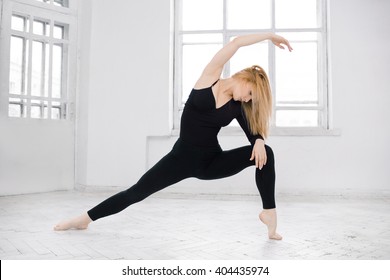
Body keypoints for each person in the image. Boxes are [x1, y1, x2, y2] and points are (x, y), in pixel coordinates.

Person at [54, 32, 293, 240]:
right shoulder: (209, 78)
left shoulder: (237, 107)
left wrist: (259, 140)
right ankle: (84, 219)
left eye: (251, 99)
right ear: (245, 78)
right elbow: (236, 43)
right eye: (250, 93)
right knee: (136, 192)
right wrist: (269, 36)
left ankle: (268, 214)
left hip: (211, 163)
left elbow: (253, 134)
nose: (247, 99)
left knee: (266, 153)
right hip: (180, 160)